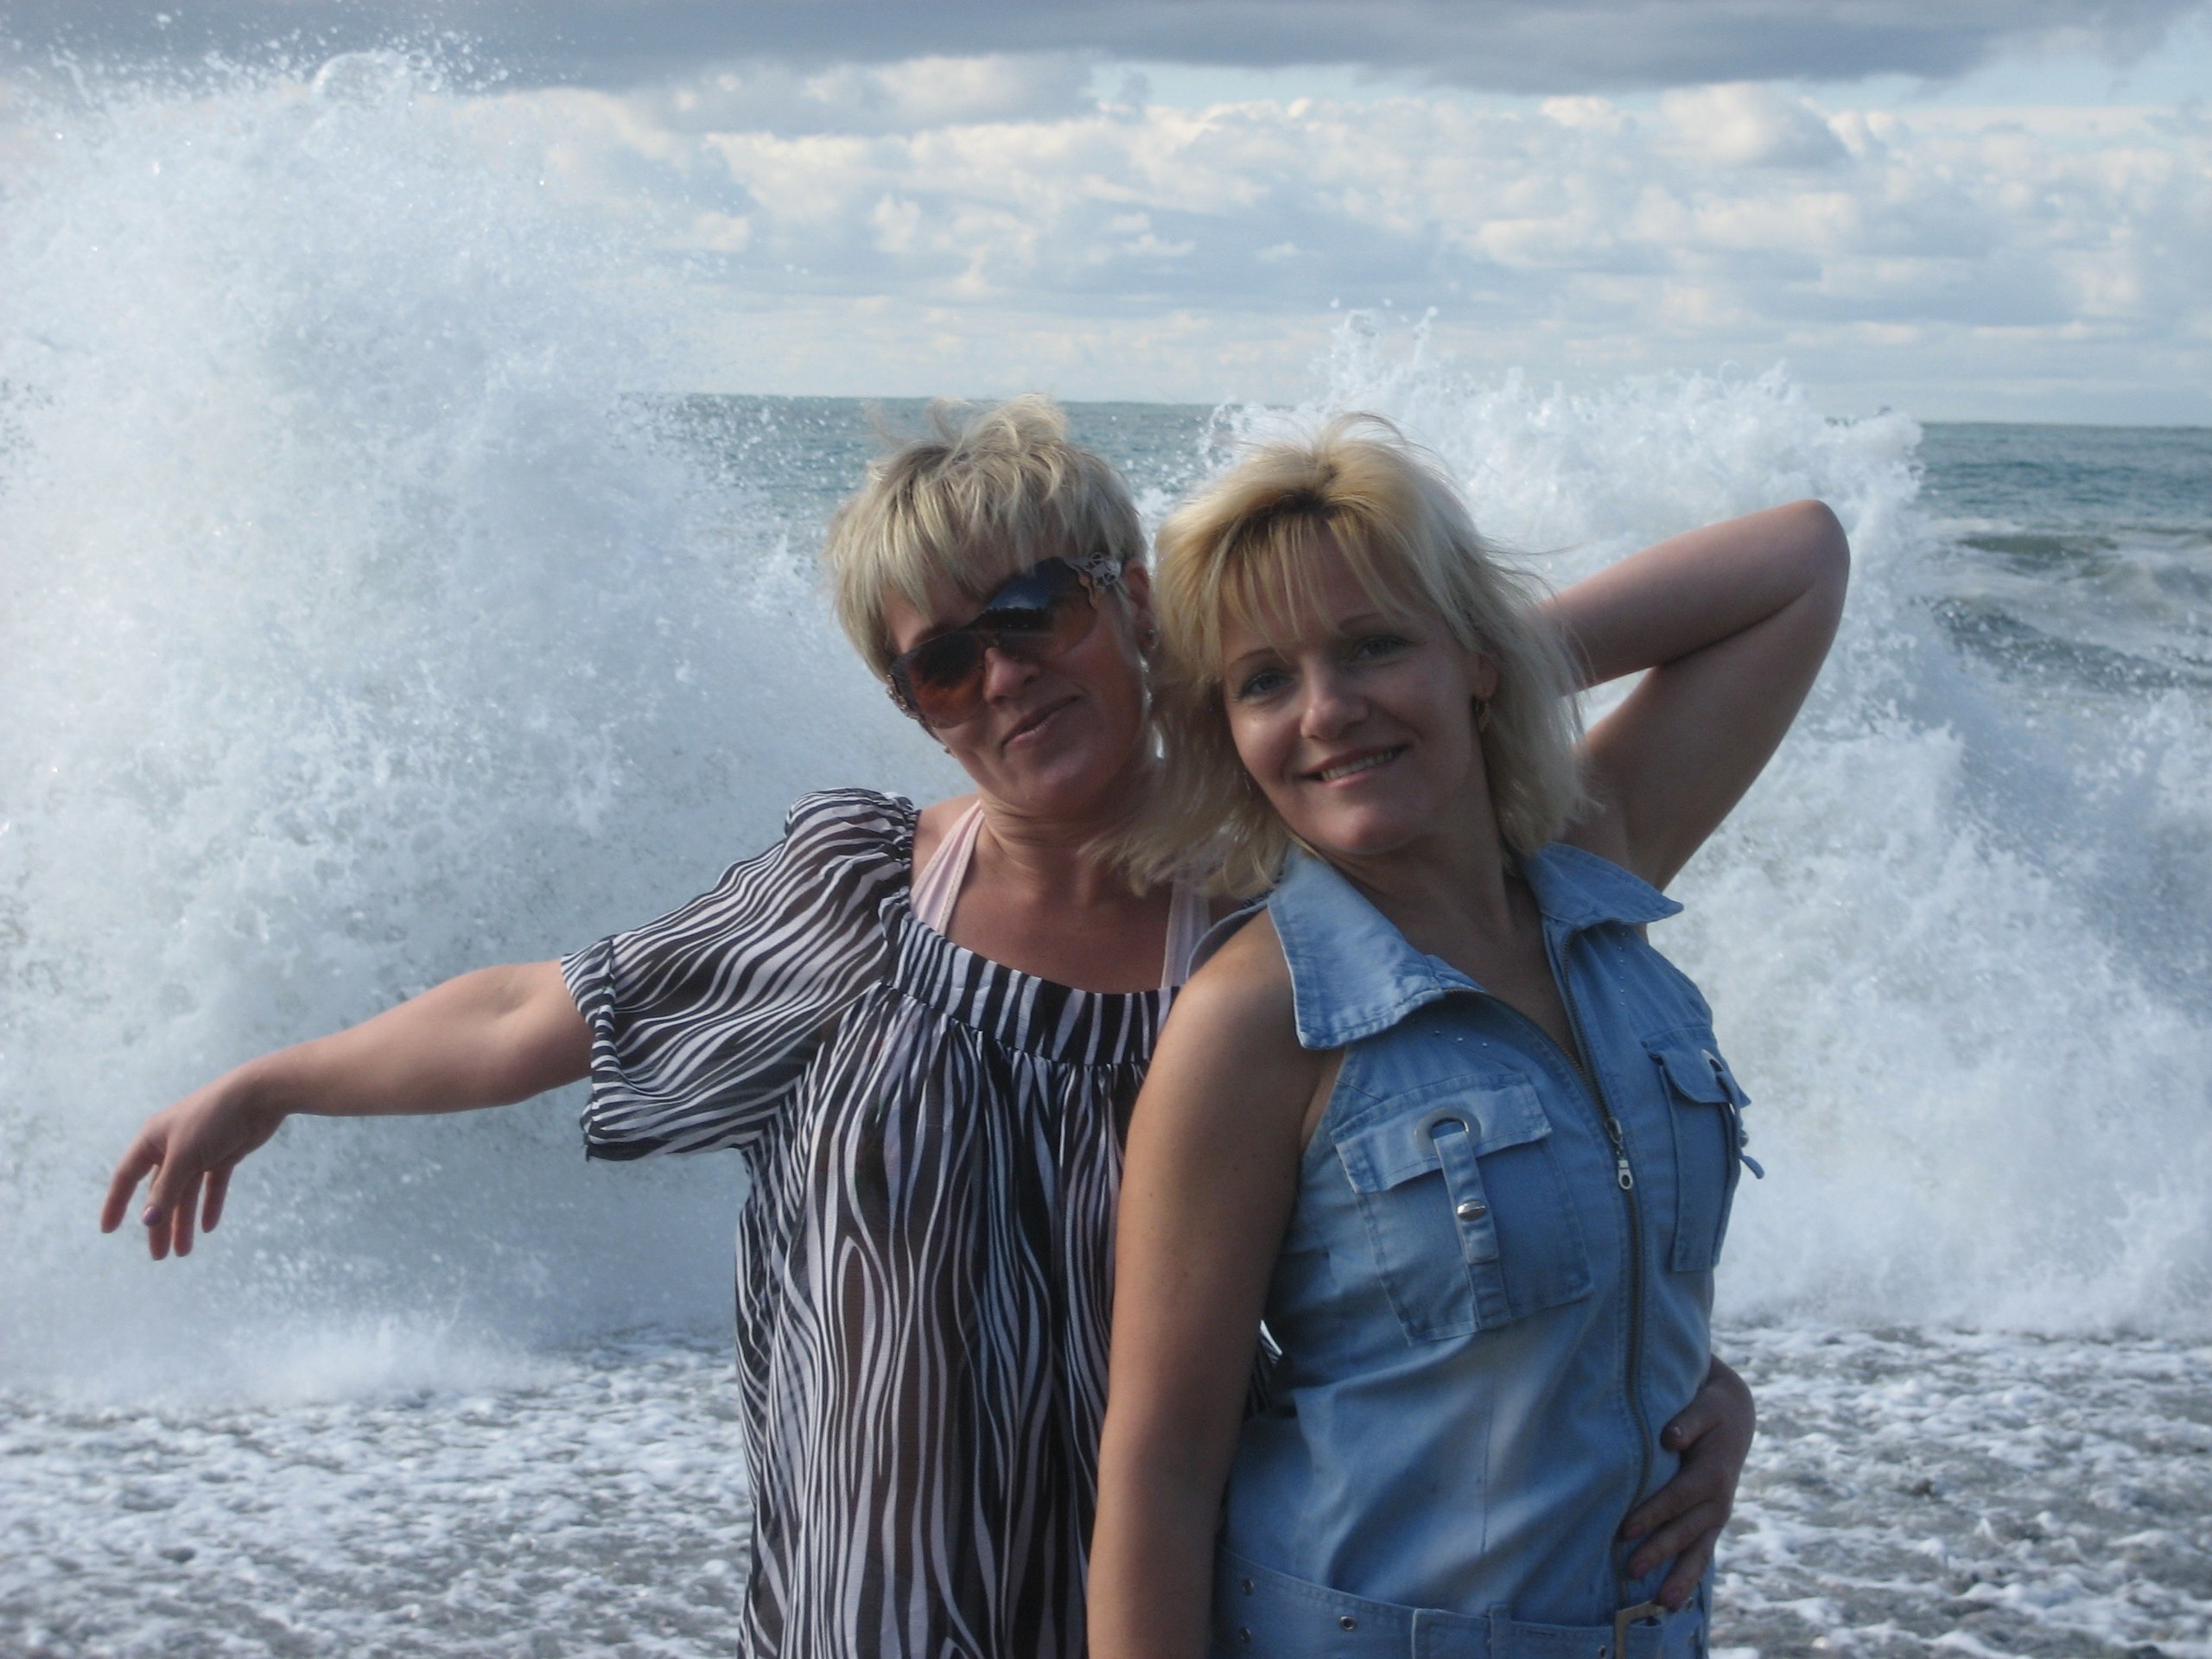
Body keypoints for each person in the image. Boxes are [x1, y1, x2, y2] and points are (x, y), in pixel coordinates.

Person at [102, 397, 1758, 1659]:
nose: (999, 679)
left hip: (1171, 1608)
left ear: (1132, 604)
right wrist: (279, 1082)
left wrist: (1428, 647)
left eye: (1031, 613)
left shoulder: (1299, 922)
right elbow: (546, 1009)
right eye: (940, 664)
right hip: (866, 1608)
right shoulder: (853, 900)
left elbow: (1466, 1227)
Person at [1090, 416, 1847, 1659]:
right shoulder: (1258, 1018)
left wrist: (1691, 1386)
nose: (1329, 712)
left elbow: (1800, 559)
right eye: (1264, 679)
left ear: (1481, 657)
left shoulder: (1595, 870)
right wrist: (1421, 669)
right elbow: (1160, 1470)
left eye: (1374, 644)